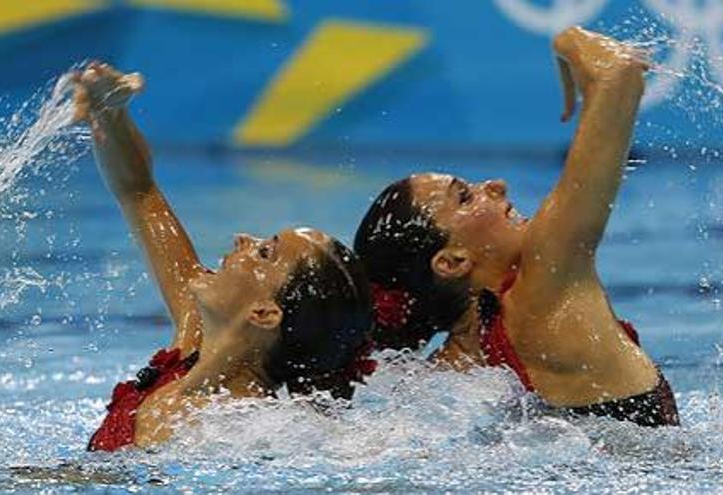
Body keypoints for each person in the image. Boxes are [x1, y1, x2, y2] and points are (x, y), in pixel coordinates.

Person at [354, 27, 679, 427]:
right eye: (466, 197)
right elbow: (621, 72)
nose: (495, 185)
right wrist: (567, 40)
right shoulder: (545, 284)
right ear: (452, 261)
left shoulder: (446, 370)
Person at [73, 62, 373, 451]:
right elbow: (139, 191)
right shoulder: (190, 343)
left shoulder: (241, 433)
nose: (242, 239)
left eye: (264, 252)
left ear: (264, 313)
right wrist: (111, 113)